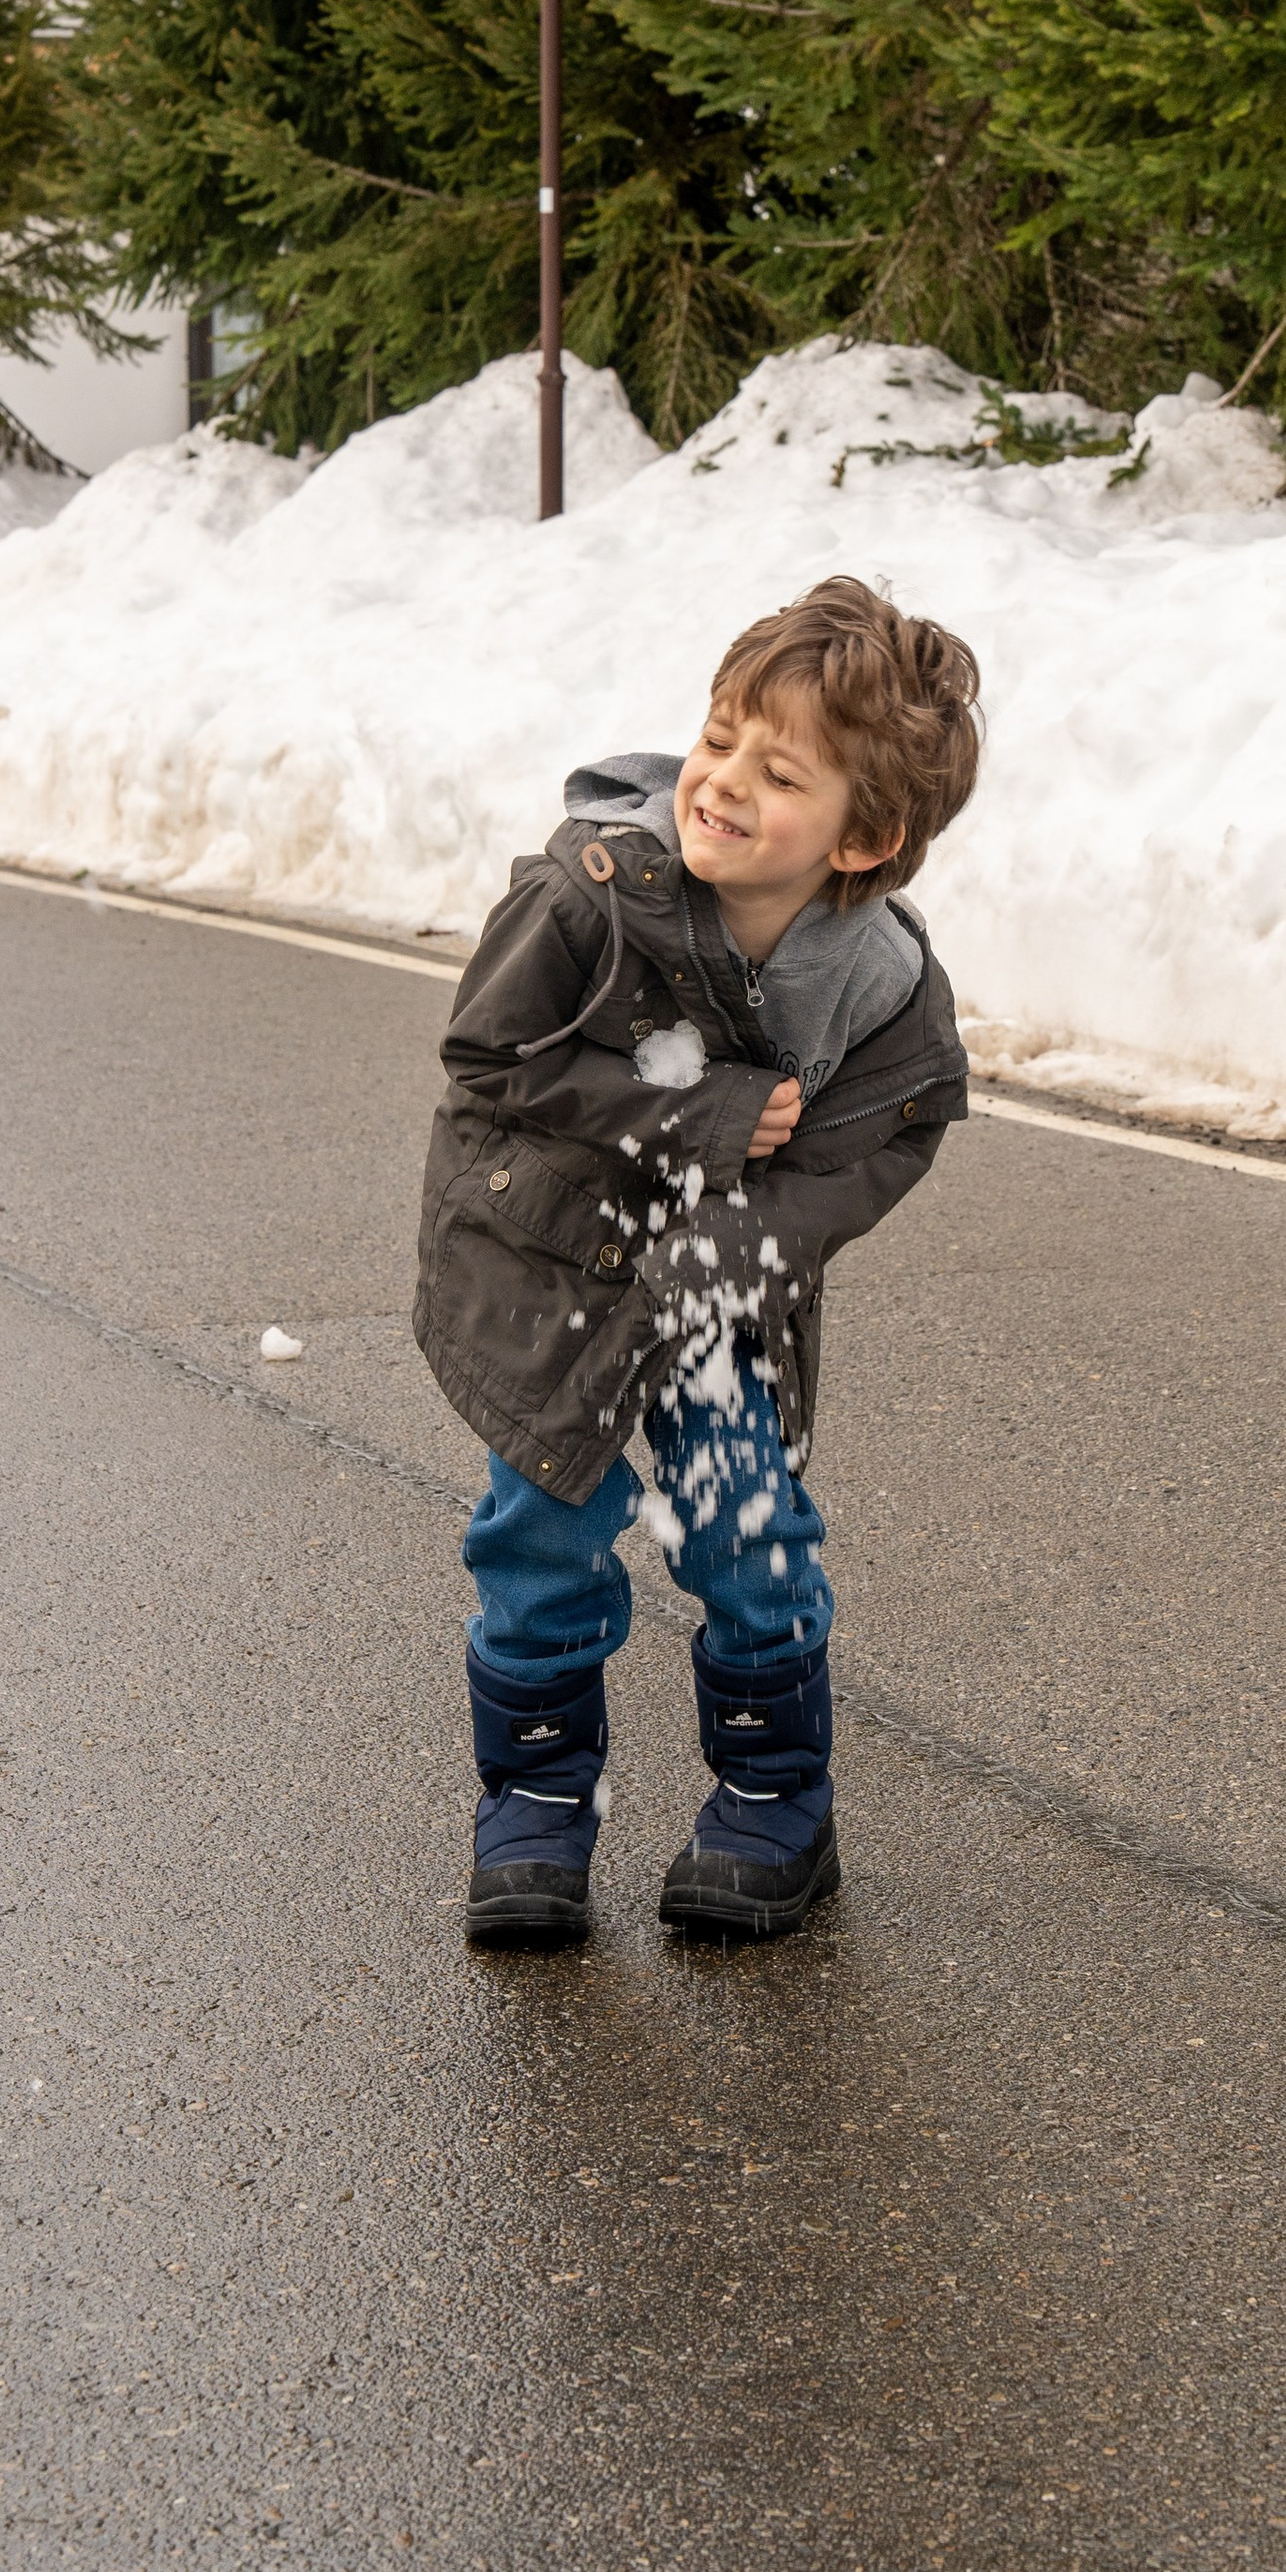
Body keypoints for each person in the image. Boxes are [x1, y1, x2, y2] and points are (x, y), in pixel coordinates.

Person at [413, 575, 981, 1948]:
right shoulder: (586, 897)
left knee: (749, 1533)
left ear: (866, 838)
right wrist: (703, 1114)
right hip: (551, 1262)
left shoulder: (879, 983)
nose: (720, 783)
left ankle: (777, 1801)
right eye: (719, 737)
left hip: (721, 1292)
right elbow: (492, 1061)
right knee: (541, 1537)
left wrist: (744, 1246)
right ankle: (536, 1806)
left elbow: (877, 1144)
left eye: (777, 773)